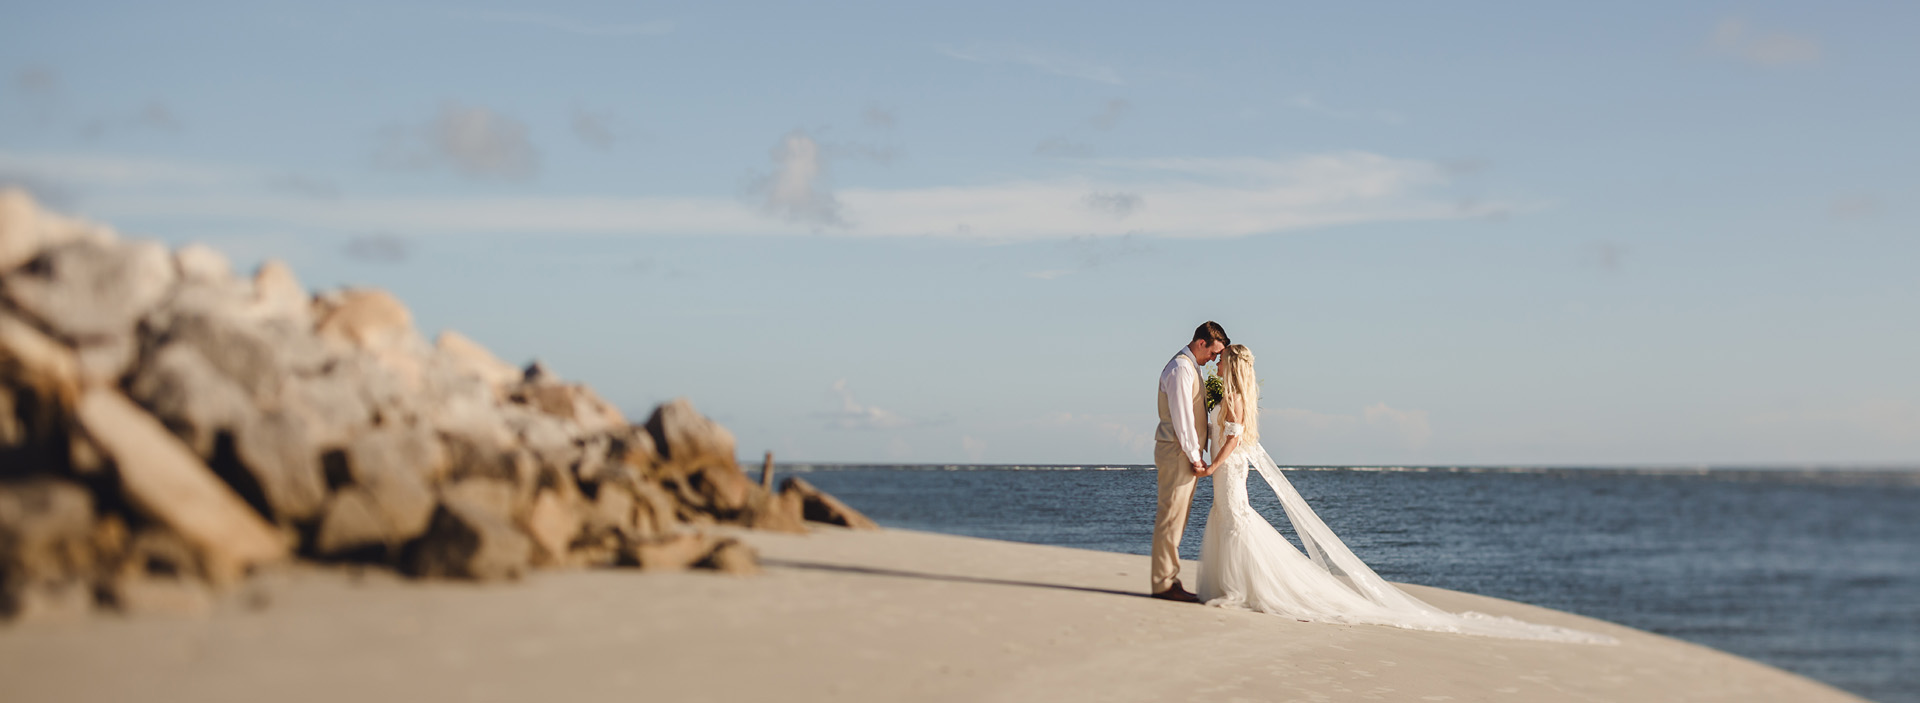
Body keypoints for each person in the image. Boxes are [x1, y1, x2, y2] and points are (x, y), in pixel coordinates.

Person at [1190, 343, 1615, 643]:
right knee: (1230, 519)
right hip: (1228, 468)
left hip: (1229, 467)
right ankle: (1235, 585)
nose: (1220, 365)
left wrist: (1213, 464)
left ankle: (1244, 589)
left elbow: (1233, 436)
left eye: (1225, 360)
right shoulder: (1227, 396)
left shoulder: (1236, 401)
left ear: (1235, 366)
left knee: (1238, 521)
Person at [1149, 321, 1228, 602]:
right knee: (1171, 516)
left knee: (1177, 517)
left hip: (1181, 452)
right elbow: (1182, 417)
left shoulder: (1189, 367)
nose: (1214, 359)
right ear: (1201, 343)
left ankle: (1169, 578)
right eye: (1214, 353)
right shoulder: (1181, 368)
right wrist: (1195, 457)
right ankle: (1163, 584)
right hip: (1177, 452)